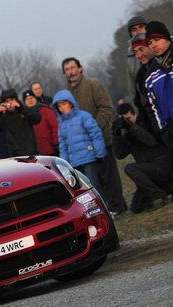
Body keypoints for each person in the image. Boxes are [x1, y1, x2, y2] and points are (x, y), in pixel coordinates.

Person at [63, 56, 127, 216]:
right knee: (95, 179)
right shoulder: (66, 93)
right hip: (83, 147)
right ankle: (109, 207)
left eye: (72, 67)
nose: (70, 72)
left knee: (110, 176)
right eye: (67, 69)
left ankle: (117, 207)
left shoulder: (92, 84)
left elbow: (106, 108)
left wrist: (94, 129)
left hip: (101, 139)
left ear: (80, 68)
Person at [112, 103, 173, 212]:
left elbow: (151, 141)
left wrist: (131, 127)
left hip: (161, 165)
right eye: (124, 120)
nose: (127, 121)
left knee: (130, 168)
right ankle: (167, 190)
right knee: (136, 207)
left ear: (134, 114)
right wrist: (116, 134)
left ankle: (160, 196)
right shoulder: (128, 134)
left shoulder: (146, 121)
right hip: (148, 173)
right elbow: (119, 155)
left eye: (129, 118)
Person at [53, 89, 106, 198]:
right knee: (82, 189)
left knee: (93, 185)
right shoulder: (61, 124)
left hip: (89, 158)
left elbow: (95, 134)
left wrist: (99, 153)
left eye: (64, 104)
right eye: (59, 106)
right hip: (74, 162)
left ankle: (104, 209)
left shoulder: (83, 116)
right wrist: (64, 163)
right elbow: (63, 145)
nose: (62, 107)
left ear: (71, 103)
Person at [145, 21, 173, 153]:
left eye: (157, 39)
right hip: (172, 135)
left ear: (167, 38)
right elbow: (153, 107)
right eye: (150, 42)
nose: (153, 45)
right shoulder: (151, 75)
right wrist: (163, 130)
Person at [0, 88, 40, 157]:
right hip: (15, 156)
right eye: (7, 101)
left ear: (16, 100)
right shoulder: (3, 117)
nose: (10, 103)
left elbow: (37, 118)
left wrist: (21, 108)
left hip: (32, 153)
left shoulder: (24, 111)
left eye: (12, 100)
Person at [130, 32, 157, 134]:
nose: (139, 55)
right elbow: (140, 104)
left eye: (141, 49)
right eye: (135, 52)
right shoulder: (140, 75)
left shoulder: (164, 66)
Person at [23, 90, 59, 156]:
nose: (30, 100)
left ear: (35, 98)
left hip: (50, 148)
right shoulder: (23, 115)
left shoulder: (45, 110)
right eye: (27, 99)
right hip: (33, 152)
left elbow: (55, 126)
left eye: (31, 98)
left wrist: (55, 142)